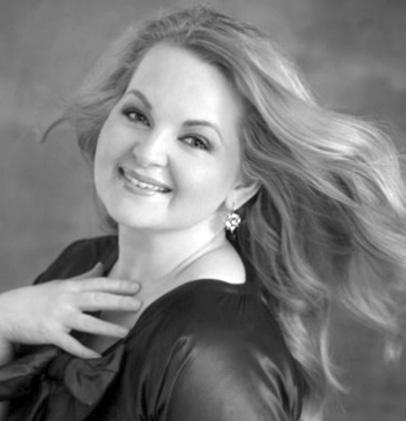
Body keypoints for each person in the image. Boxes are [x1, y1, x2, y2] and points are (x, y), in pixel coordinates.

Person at [0, 5, 405, 421]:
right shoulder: (80, 264)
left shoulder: (214, 354)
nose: (148, 152)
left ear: (243, 184)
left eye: (195, 140)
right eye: (137, 115)